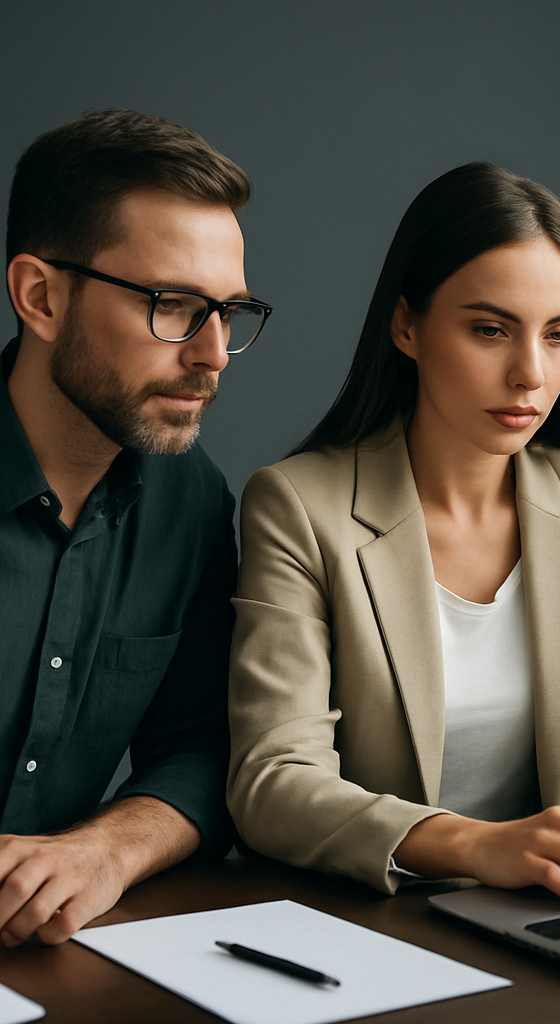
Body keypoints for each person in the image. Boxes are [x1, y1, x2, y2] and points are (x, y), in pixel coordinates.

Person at [227, 162, 560, 906]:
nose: (530, 374)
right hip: (374, 913)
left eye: (559, 335)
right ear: (406, 326)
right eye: (490, 330)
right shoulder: (298, 506)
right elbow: (274, 779)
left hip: (543, 903)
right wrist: (478, 845)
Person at [0, 108, 272, 945]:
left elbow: (202, 751)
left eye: (228, 312)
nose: (213, 353)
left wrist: (106, 850)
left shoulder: (192, 502)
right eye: (173, 305)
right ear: (41, 297)